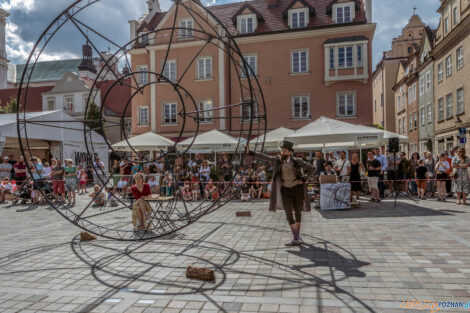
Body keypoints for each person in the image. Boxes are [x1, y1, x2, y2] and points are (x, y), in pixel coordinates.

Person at [246, 140, 315, 246]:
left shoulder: (297, 161)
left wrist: (305, 178)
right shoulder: (278, 160)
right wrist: (251, 152)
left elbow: (311, 168)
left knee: (297, 212)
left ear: (290, 152)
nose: (283, 153)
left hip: (297, 189)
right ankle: (296, 237)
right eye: (282, 150)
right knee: (288, 213)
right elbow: (266, 157)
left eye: (285, 151)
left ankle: (296, 237)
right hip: (285, 190)